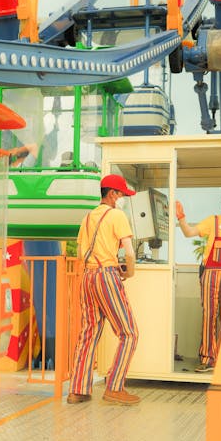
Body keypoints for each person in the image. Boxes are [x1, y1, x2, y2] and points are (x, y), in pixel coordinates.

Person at [68, 174, 140, 406]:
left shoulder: (87, 217)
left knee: (88, 334)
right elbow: (129, 251)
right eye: (121, 195)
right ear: (112, 194)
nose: (122, 200)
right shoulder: (117, 215)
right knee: (129, 333)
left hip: (87, 277)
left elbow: (80, 254)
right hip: (107, 276)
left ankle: (77, 390)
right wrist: (129, 273)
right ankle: (115, 387)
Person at [176, 189, 221, 373]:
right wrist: (181, 217)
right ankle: (207, 358)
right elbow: (189, 233)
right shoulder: (213, 221)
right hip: (210, 274)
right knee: (209, 315)